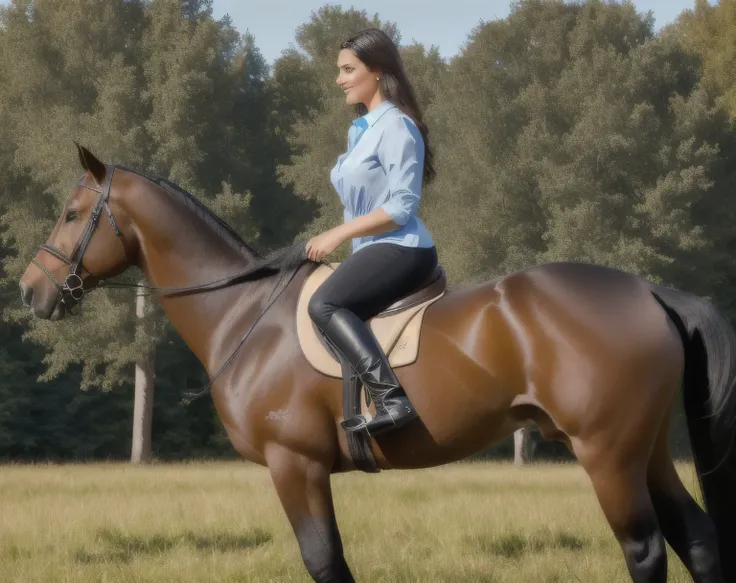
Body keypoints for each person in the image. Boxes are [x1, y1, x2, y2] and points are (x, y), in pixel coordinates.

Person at [306, 28, 439, 437]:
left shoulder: (398, 127)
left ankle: (392, 400)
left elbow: (401, 208)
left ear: (377, 71)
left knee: (324, 305)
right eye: (339, 71)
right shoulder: (359, 130)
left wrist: (337, 234)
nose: (339, 79)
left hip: (404, 247)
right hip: (371, 250)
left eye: (348, 69)